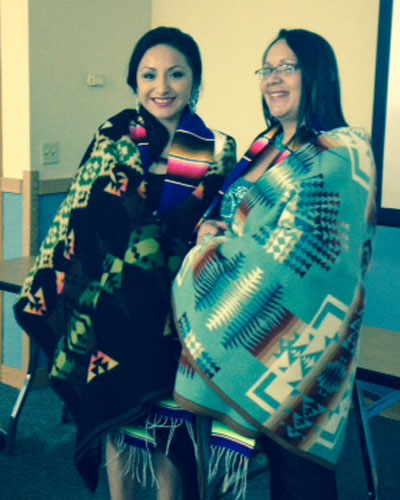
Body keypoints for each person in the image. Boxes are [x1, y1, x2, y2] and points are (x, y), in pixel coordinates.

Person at [13, 26, 236, 499]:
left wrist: (207, 234)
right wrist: (164, 234)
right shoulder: (114, 135)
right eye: (149, 75)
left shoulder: (218, 148)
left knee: (171, 430)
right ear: (134, 82)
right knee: (119, 424)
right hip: (111, 313)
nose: (162, 86)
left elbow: (218, 227)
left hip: (179, 318)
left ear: (194, 80)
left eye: (176, 74)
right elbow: (88, 221)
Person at [172, 28, 376, 499]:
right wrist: (208, 230)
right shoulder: (263, 145)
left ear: (317, 74)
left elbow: (293, 258)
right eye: (267, 68)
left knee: (296, 471)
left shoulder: (340, 154)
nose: (273, 79)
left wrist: (206, 256)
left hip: (298, 336)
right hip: (237, 328)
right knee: (227, 461)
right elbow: (229, 210)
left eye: (287, 67)